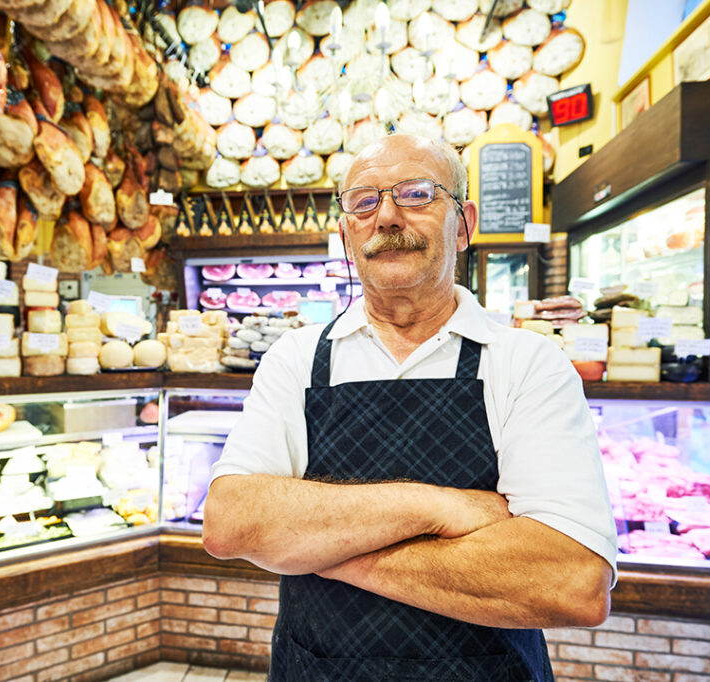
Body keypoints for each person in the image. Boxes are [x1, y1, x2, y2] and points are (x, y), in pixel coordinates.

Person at [202, 134, 617, 681]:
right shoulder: (296, 358)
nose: (388, 216)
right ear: (348, 231)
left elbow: (571, 581)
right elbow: (230, 522)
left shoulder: (527, 364)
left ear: (464, 224)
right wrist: (439, 508)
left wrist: (323, 550)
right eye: (365, 201)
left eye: (417, 194)